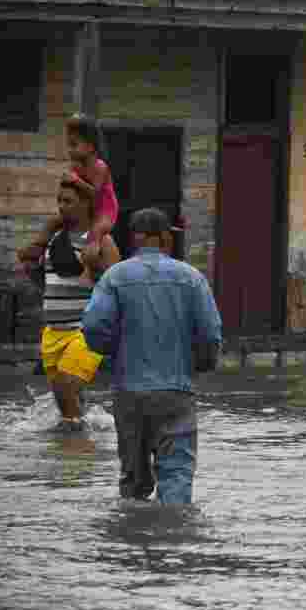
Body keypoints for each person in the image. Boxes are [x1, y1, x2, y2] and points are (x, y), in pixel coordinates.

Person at [82, 208, 222, 504]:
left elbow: (93, 327)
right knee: (176, 478)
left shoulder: (114, 277)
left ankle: (132, 543)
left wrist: (111, 356)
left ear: (135, 239)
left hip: (128, 393)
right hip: (176, 392)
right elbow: (210, 334)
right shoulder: (191, 278)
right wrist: (202, 364)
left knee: (133, 481)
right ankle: (173, 540)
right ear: (165, 238)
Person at [40, 177, 121, 429]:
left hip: (84, 330)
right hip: (53, 332)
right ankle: (82, 455)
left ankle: (74, 450)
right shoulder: (54, 238)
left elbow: (118, 285)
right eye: (59, 201)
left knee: (66, 387)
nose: (61, 207)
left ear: (86, 204)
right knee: (66, 400)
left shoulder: (101, 242)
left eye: (68, 201)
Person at [18, 114, 119, 286]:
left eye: (74, 145)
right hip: (87, 207)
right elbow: (70, 189)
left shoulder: (99, 167)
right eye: (68, 145)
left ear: (91, 147)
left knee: (94, 236)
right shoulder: (74, 166)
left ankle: (88, 270)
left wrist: (76, 182)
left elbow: (95, 194)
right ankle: (38, 245)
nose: (70, 150)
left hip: (104, 210)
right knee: (53, 221)